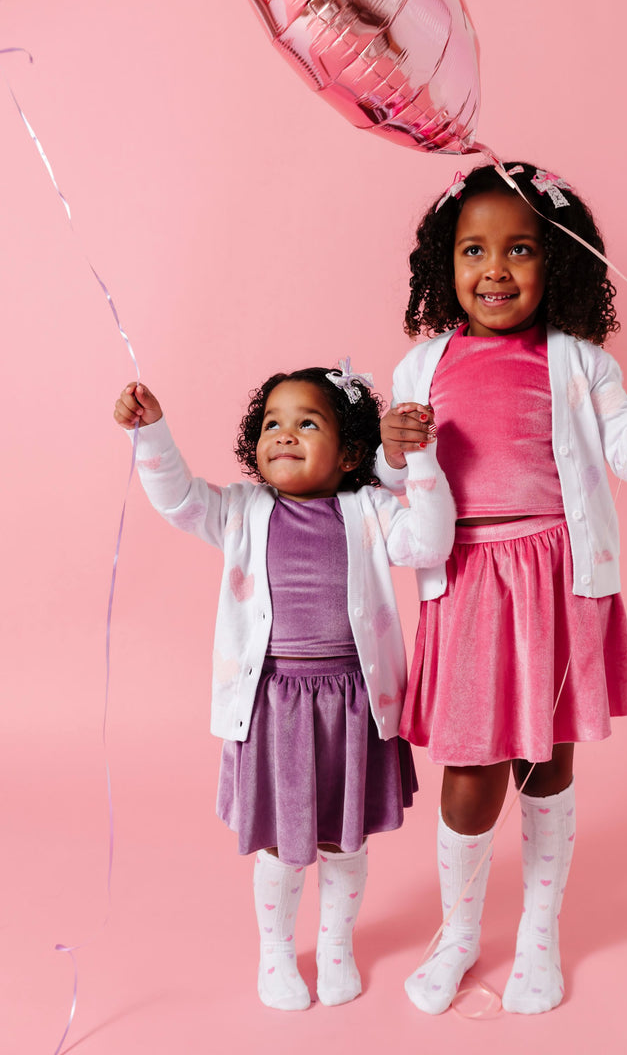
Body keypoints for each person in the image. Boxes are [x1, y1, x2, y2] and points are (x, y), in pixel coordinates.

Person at [376, 162, 627, 1016]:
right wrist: (394, 450)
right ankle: (461, 932)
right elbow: (389, 485)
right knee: (469, 771)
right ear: (447, 263)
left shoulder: (583, 363)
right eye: (474, 249)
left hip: (555, 580)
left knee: (544, 761)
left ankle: (540, 934)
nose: (496, 269)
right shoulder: (419, 368)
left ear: (560, 263)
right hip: (468, 584)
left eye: (521, 249)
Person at [114, 363, 455, 1012]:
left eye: (307, 422)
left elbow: (431, 540)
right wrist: (152, 432)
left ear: (351, 451)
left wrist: (423, 464)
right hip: (273, 707)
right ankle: (275, 951)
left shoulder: (369, 509)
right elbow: (178, 499)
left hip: (353, 704)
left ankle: (334, 945)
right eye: (272, 422)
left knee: (343, 838)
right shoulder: (240, 511)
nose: (284, 434)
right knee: (281, 841)